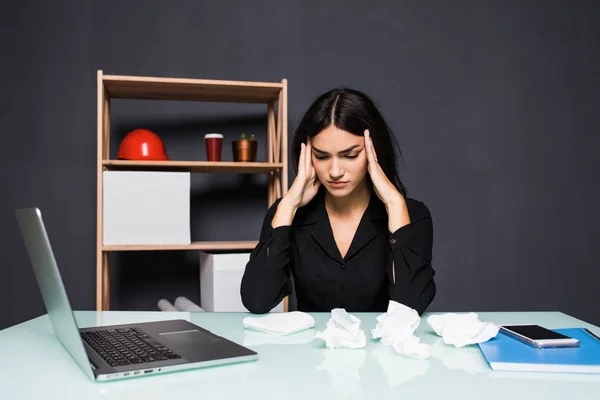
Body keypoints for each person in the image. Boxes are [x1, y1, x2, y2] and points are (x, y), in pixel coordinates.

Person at [240, 88, 436, 315]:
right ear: (307, 155)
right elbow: (257, 301)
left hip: (383, 349)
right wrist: (288, 205)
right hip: (313, 349)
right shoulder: (287, 214)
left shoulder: (411, 214)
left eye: (350, 155)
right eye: (322, 156)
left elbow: (410, 308)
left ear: (375, 151)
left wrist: (395, 204)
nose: (334, 171)